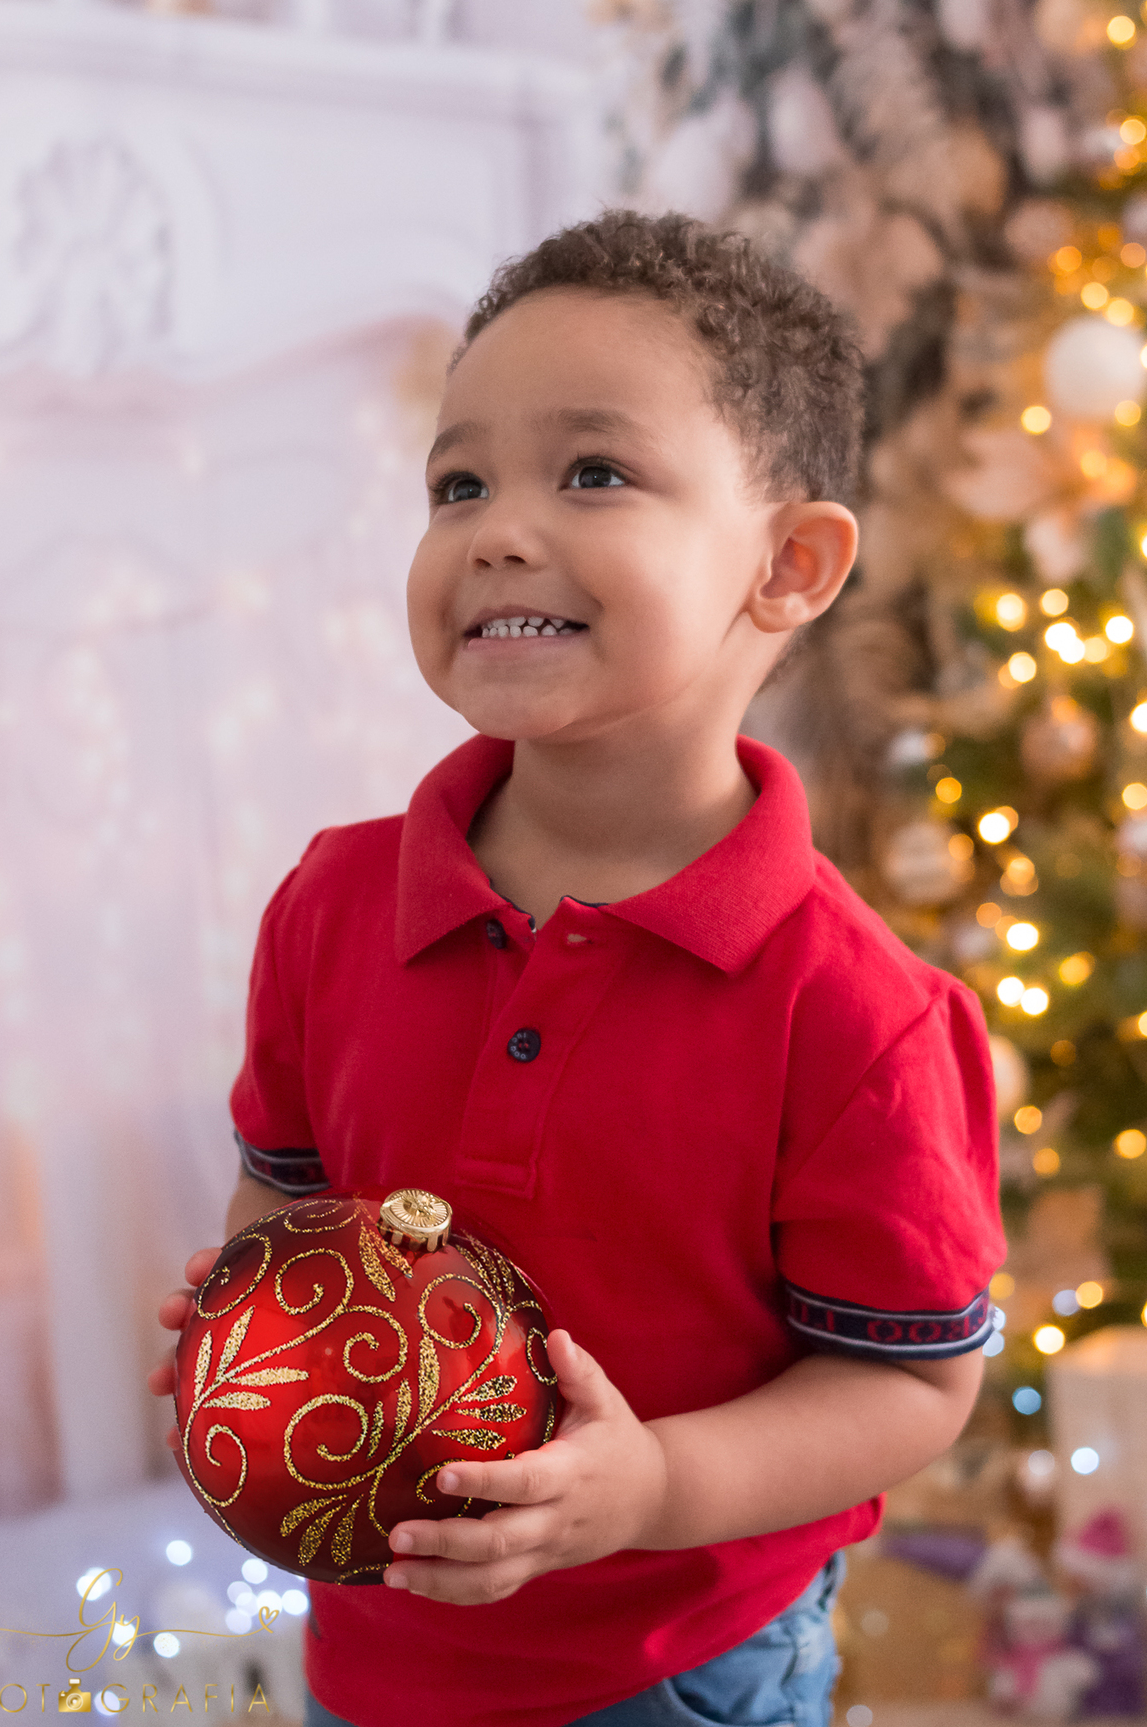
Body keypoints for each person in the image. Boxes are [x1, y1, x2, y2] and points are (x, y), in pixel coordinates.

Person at [148, 211, 1004, 1727]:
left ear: (789, 567)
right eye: (457, 481)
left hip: (682, 1668)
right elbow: (285, 1189)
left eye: (592, 472)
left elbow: (907, 1384)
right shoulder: (335, 901)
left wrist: (657, 1483)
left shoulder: (860, 1015)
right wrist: (247, 1314)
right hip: (381, 1644)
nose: (495, 527)